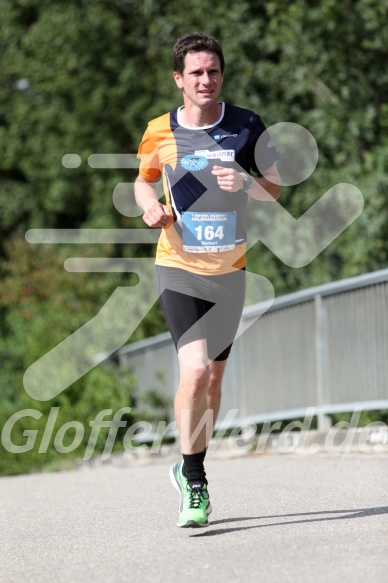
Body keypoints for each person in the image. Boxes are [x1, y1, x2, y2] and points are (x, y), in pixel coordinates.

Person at [134, 32, 280, 528]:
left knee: (214, 380)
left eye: (213, 71)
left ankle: (188, 463)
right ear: (179, 79)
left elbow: (274, 190)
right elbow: (142, 181)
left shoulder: (246, 125)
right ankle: (195, 483)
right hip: (177, 265)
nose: (205, 80)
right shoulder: (160, 130)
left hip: (229, 270)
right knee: (194, 371)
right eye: (195, 72)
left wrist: (245, 181)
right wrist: (150, 206)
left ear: (222, 74)